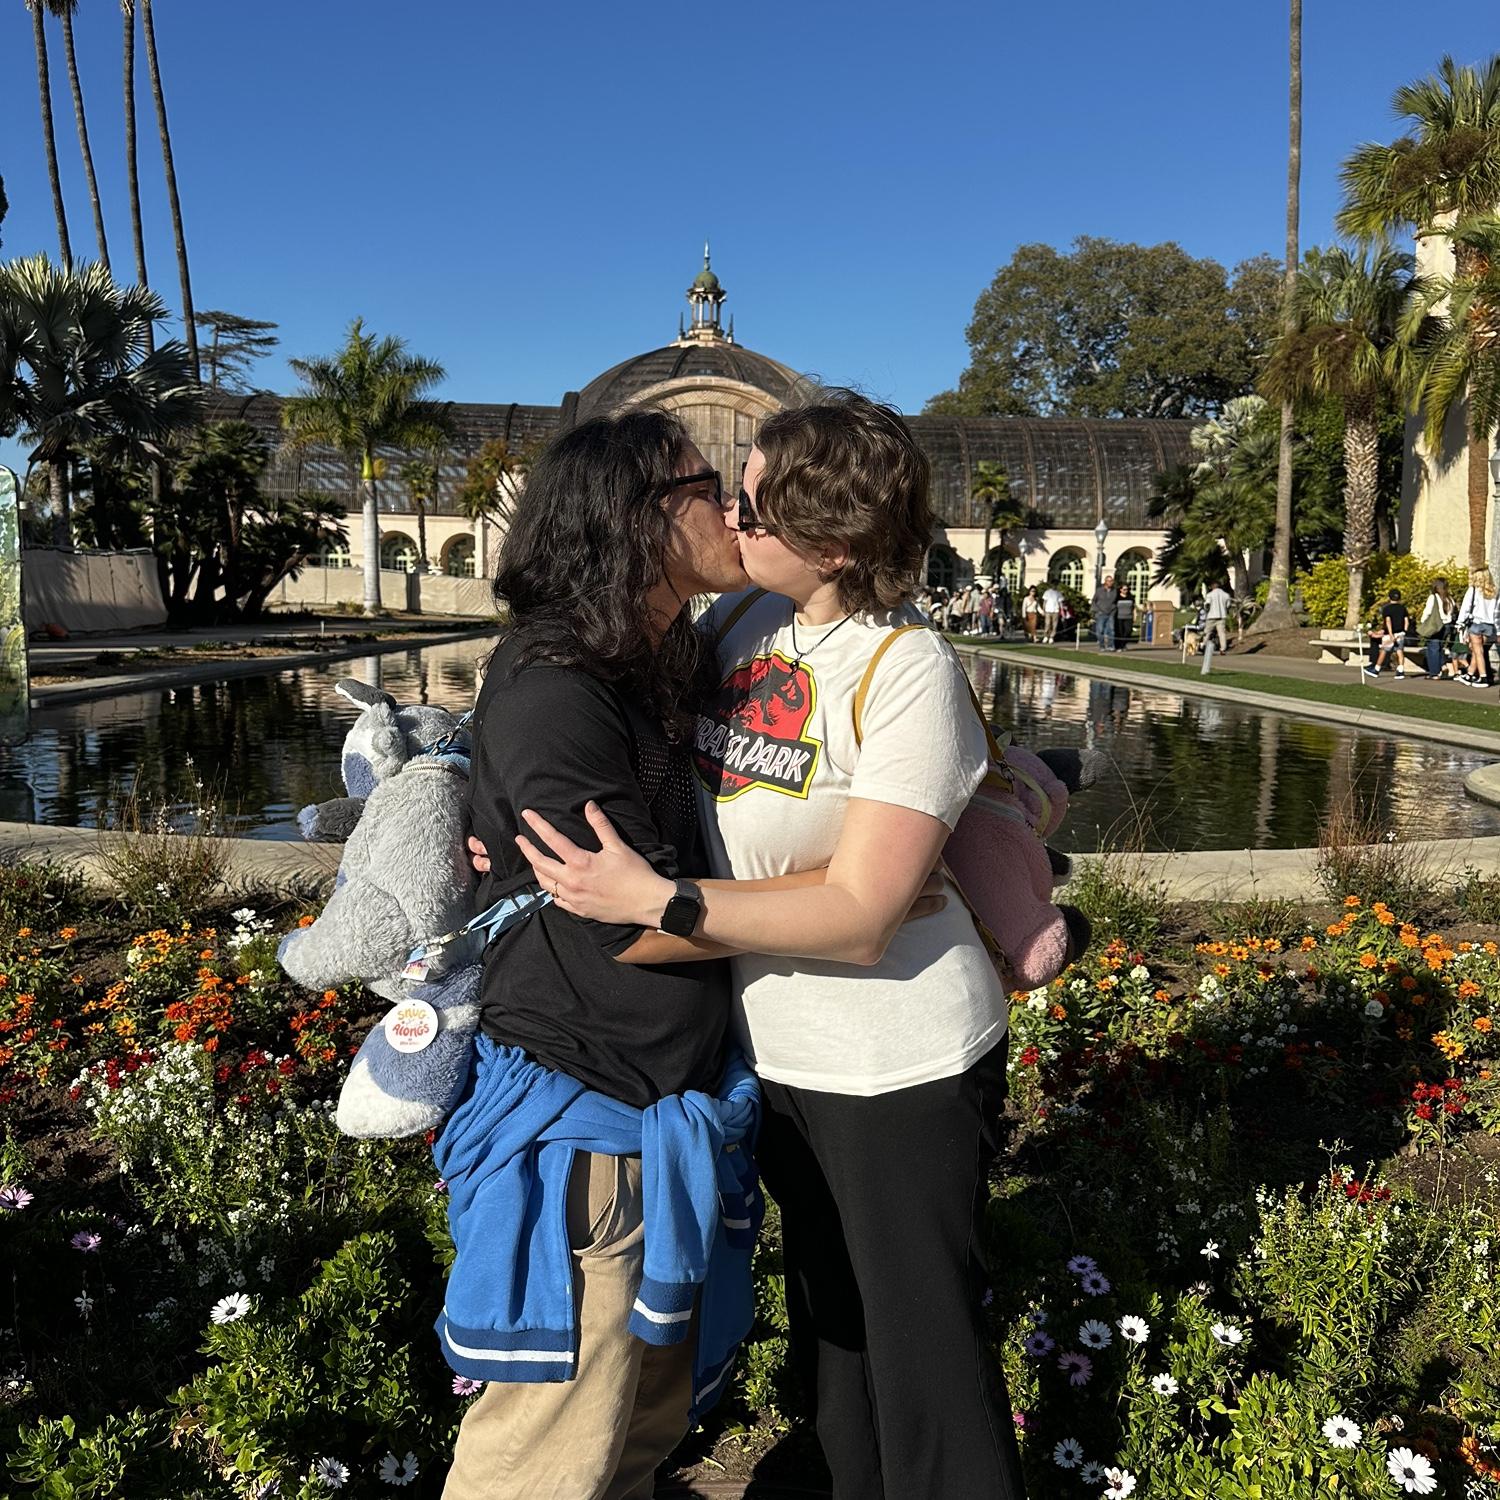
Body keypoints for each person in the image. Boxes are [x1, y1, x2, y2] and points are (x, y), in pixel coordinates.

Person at [512, 392, 1029, 1499]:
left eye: (751, 507)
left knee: (924, 1344)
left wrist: (664, 902)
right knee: (833, 1330)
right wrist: (495, 814)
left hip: (896, 1060)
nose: (728, 519)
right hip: (781, 1051)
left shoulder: (906, 669)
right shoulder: (746, 621)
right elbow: (630, 737)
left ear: (833, 545)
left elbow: (864, 916)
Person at [1458, 567, 1499, 686]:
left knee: (1478, 651)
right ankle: (1470, 674)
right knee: (1478, 650)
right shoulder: (1494, 591)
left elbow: (1465, 607)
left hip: (1477, 622)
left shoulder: (1474, 590)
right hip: (1489, 624)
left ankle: (1483, 677)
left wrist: (1460, 622)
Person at [1364, 588, 1410, 679]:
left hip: (1390, 634)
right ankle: (1400, 671)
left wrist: (1391, 634)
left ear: (1389, 597)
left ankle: (1376, 669)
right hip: (1400, 633)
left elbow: (1388, 621)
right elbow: (1406, 621)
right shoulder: (1402, 608)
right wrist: (1404, 631)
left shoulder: (1387, 609)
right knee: (1399, 651)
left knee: (1384, 650)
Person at [1417, 576, 1456, 680]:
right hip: (1447, 626)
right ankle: (1442, 666)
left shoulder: (1433, 597)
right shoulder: (1450, 599)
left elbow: (1427, 611)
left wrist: (1423, 622)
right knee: (1439, 647)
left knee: (1433, 648)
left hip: (1436, 626)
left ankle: (1434, 672)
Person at [1203, 578, 1233, 653]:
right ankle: (1223, 648)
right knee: (1221, 633)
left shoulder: (1210, 595)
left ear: (1212, 586)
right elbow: (1228, 605)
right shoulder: (1226, 595)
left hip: (1211, 616)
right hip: (1222, 616)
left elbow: (1207, 604)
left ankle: (1203, 645)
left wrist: (1206, 610)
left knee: (1207, 632)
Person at [1091, 574, 1119, 651]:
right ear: (1105, 582)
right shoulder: (1099, 591)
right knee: (1100, 631)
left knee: (1111, 630)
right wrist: (1097, 610)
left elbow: (1116, 602)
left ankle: (1110, 646)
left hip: (1111, 613)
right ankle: (1102, 646)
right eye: (1108, 581)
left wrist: (1114, 610)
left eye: (1111, 581)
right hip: (1101, 613)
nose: (1110, 582)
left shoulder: (1115, 591)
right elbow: (1094, 601)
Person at [1114, 584, 1135, 651]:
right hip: (1119, 617)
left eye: (1127, 589)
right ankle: (1119, 646)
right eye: (1124, 589)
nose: (1126, 591)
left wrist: (1135, 616)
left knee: (1128, 631)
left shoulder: (1130, 597)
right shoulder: (1117, 597)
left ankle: (1123, 644)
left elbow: (1133, 608)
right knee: (1120, 632)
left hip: (1129, 617)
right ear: (1120, 590)